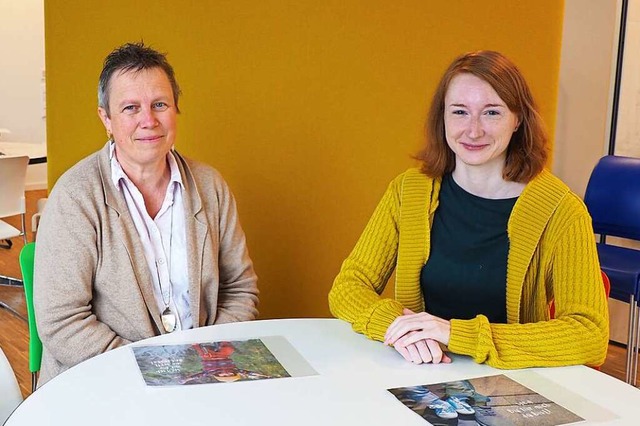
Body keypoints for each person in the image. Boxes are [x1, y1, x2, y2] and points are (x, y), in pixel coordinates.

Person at [328, 50, 609, 369]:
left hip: (515, 386)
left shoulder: (562, 210)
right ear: (442, 118)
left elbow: (590, 335)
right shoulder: (409, 191)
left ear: (517, 120)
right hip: (416, 372)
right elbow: (348, 286)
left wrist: (455, 334)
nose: (473, 131)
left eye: (491, 113)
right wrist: (402, 329)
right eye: (459, 112)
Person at [34, 42, 259, 384]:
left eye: (159, 104)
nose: (148, 120)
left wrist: (207, 365)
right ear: (106, 119)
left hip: (202, 381)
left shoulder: (210, 186)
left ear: (176, 110)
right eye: (130, 108)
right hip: (102, 384)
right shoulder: (75, 196)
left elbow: (240, 289)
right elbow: (62, 321)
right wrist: (154, 373)